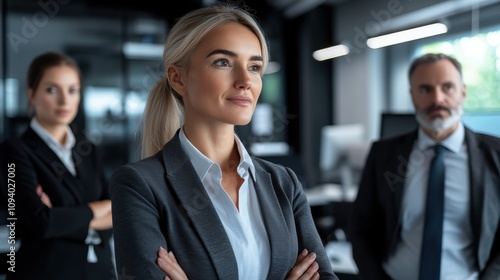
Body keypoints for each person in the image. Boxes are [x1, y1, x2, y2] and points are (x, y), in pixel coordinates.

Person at [109, 4, 338, 280]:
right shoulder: (139, 185)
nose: (245, 81)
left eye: (254, 66)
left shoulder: (284, 183)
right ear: (178, 78)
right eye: (223, 62)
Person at [349, 53, 500, 280]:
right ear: (412, 96)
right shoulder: (384, 154)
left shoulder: (496, 154)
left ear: (463, 92)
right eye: (425, 89)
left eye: (447, 87)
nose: (437, 99)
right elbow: (361, 227)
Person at [2, 52, 115, 280]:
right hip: (46, 272)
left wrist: (61, 216)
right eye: (52, 90)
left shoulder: (88, 150)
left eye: (72, 90)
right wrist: (96, 210)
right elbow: (41, 223)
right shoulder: (14, 151)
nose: (64, 100)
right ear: (31, 94)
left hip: (99, 272)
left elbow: (118, 213)